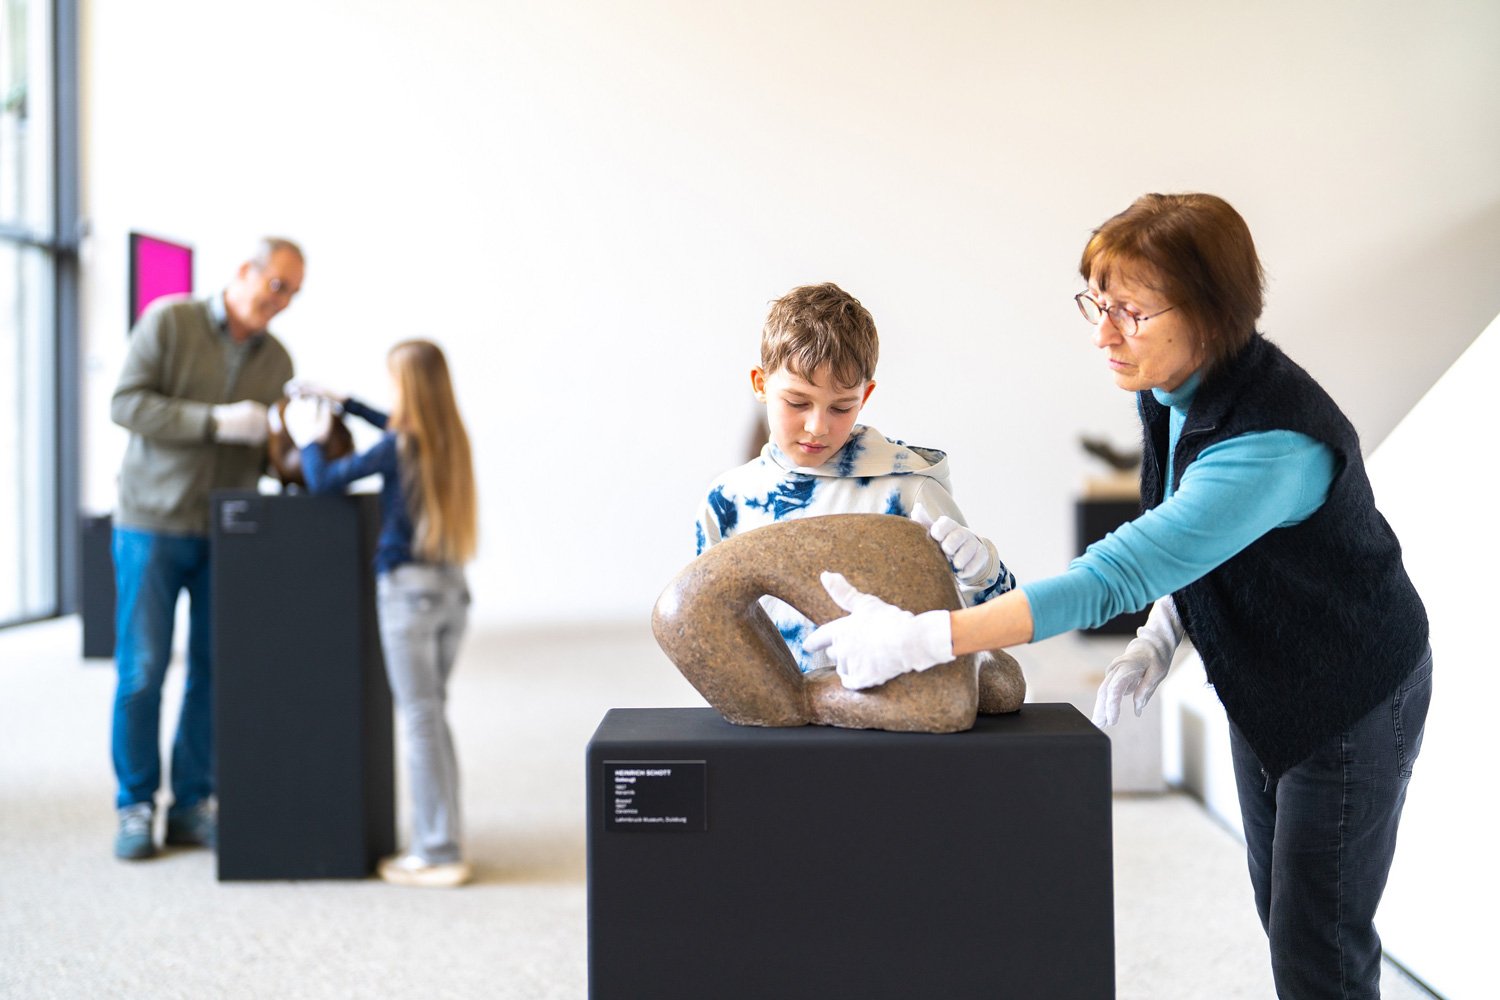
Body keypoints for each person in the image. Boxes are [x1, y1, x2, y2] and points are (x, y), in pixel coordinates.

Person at [803, 194, 1432, 998]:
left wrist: (927, 638)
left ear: (1210, 314)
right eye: (1099, 304)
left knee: (1321, 941)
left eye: (1129, 312)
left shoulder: (1273, 441)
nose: (1104, 333)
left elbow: (1117, 574)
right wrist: (1166, 634)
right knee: (1284, 913)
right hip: (1274, 678)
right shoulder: (1176, 388)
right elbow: (1195, 538)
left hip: (1351, 694)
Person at [696, 281, 1016, 674]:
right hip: (776, 715)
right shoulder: (726, 501)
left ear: (865, 397)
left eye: (841, 407)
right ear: (761, 384)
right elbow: (710, 627)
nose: (817, 426)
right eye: (797, 402)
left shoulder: (908, 489)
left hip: (892, 705)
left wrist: (983, 569)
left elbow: (987, 631)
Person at [109, 237, 305, 860]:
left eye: (293, 293)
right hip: (152, 525)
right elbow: (127, 404)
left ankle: (193, 803)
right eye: (277, 285)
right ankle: (136, 804)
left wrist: (302, 447)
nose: (282, 301)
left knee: (214, 673)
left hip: (229, 534)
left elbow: (270, 455)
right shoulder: (170, 320)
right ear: (245, 271)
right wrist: (213, 422)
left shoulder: (277, 360)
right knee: (142, 671)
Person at [284, 339, 478, 888]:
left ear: (407, 388)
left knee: (421, 722)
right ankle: (445, 840)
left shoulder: (399, 446)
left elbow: (324, 481)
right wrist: (345, 402)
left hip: (408, 595)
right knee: (433, 718)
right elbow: (394, 427)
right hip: (452, 592)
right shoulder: (448, 439)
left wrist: (310, 441)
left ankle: (437, 852)